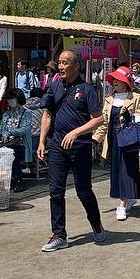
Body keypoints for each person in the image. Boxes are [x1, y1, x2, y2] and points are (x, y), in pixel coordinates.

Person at [37, 49, 107, 251]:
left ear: (76, 65)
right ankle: (59, 235)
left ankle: (96, 224)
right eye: (59, 62)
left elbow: (99, 118)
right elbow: (47, 115)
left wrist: (76, 132)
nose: (61, 66)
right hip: (58, 146)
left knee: (83, 191)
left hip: (81, 147)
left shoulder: (87, 90)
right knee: (55, 191)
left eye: (65, 62)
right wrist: (42, 142)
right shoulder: (54, 86)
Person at [93, 65, 140, 222]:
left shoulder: (135, 97)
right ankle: (129, 197)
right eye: (114, 80)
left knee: (126, 171)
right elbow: (104, 122)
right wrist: (95, 139)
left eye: (118, 80)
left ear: (126, 82)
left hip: (129, 141)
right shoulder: (109, 100)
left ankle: (122, 205)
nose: (115, 82)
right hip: (113, 141)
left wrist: (131, 116)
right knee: (118, 172)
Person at [0, 88, 35, 192]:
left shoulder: (27, 113)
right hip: (6, 144)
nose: (10, 101)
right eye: (8, 99)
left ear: (18, 98)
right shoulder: (6, 114)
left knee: (12, 154)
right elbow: (1, 129)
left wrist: (11, 132)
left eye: (12, 98)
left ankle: (18, 180)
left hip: (21, 145)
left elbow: (25, 129)